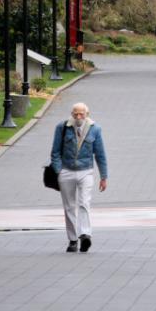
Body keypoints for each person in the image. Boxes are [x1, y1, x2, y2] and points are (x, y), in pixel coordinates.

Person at [50, 102, 108, 253]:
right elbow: (55, 152)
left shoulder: (95, 129)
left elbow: (100, 154)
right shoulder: (62, 127)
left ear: (87, 114)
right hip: (66, 171)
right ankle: (73, 240)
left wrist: (104, 176)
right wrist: (59, 171)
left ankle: (85, 235)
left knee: (84, 203)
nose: (78, 116)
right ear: (72, 114)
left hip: (86, 171)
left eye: (81, 113)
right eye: (75, 113)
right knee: (69, 207)